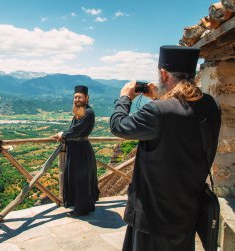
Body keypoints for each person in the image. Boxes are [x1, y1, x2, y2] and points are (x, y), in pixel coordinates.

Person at [110, 45, 221, 251]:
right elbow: (179, 121)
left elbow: (118, 126)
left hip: (152, 218)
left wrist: (125, 97)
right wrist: (160, 98)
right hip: (187, 214)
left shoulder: (157, 111)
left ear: (163, 73)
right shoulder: (211, 105)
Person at [52, 85, 100, 217]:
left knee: (81, 180)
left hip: (81, 151)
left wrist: (63, 134)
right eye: (75, 97)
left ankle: (81, 209)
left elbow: (76, 130)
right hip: (77, 150)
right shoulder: (79, 112)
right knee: (80, 179)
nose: (77, 99)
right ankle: (87, 206)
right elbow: (74, 130)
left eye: (80, 97)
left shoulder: (88, 113)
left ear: (86, 98)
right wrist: (65, 135)